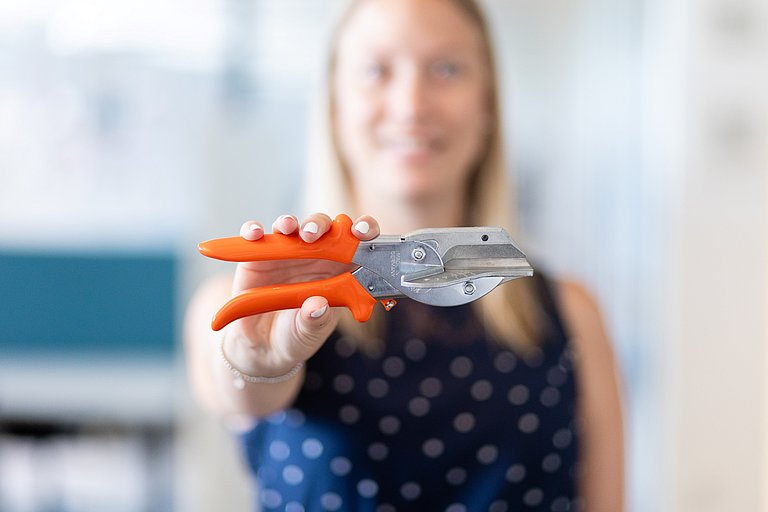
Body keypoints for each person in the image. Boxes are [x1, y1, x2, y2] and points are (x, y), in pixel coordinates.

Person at [185, 0, 624, 510]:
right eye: (376, 70)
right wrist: (259, 363)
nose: (412, 105)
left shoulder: (573, 314)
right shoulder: (253, 305)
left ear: (487, 106)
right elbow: (241, 389)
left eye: (447, 68)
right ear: (334, 107)